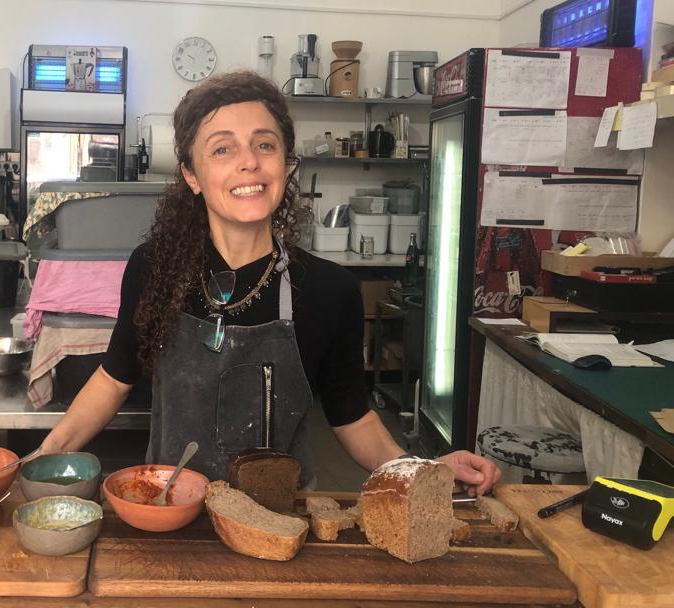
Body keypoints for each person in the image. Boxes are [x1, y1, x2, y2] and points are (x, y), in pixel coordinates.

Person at [42, 71, 500, 494]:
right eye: (222, 149)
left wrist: (425, 469)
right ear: (191, 175)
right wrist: (44, 455)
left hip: (280, 521)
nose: (249, 164)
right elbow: (113, 379)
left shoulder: (329, 290)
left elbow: (353, 418)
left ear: (285, 163)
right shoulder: (153, 270)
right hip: (172, 516)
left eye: (265, 145)